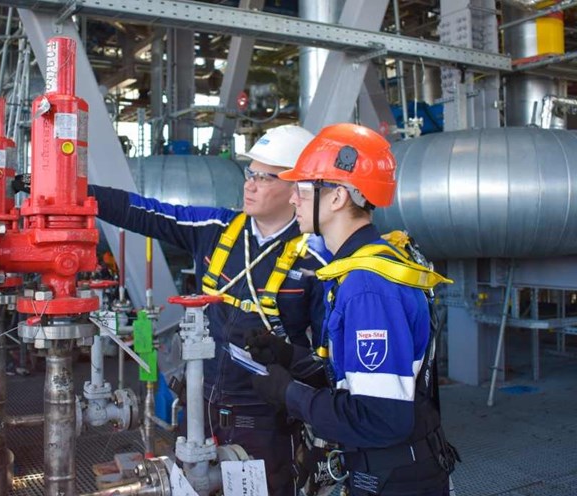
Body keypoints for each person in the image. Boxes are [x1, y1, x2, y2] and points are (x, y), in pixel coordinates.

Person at [88, 125, 326, 495]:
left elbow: (326, 359)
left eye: (265, 177)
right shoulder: (215, 229)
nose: (250, 184)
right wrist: (79, 195)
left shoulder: (316, 258)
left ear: (298, 188)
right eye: (250, 173)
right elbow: (146, 212)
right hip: (201, 406)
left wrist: (295, 387)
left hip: (265, 419)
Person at [249, 123, 460, 495]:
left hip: (395, 478)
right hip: (397, 466)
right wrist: (291, 358)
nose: (293, 200)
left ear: (337, 198)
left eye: (301, 189)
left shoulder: (367, 286)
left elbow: (381, 417)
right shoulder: (364, 264)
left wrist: (289, 395)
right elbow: (361, 378)